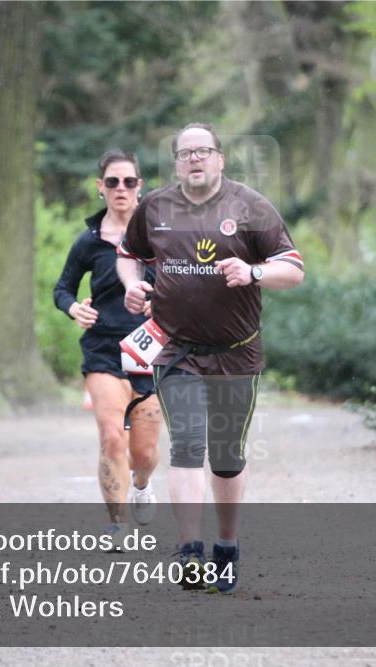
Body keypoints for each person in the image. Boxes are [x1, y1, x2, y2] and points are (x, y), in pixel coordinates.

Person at [116, 124, 304, 593]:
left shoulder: (251, 207)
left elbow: (293, 270)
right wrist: (132, 286)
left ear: (220, 159)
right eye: (185, 153)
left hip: (235, 355)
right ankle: (190, 550)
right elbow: (127, 254)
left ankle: (226, 544)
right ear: (176, 163)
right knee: (187, 445)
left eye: (203, 151)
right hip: (175, 351)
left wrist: (254, 270)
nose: (194, 159)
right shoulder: (155, 207)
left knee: (225, 457)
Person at [54, 149, 162, 543]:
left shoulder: (157, 237)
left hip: (150, 351)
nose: (121, 188)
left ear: (139, 188)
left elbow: (183, 283)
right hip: (103, 349)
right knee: (111, 436)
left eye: (129, 181)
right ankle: (117, 525)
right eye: (112, 181)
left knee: (145, 454)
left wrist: (163, 303)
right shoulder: (90, 241)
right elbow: (62, 288)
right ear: (100, 188)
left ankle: (142, 484)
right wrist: (73, 310)